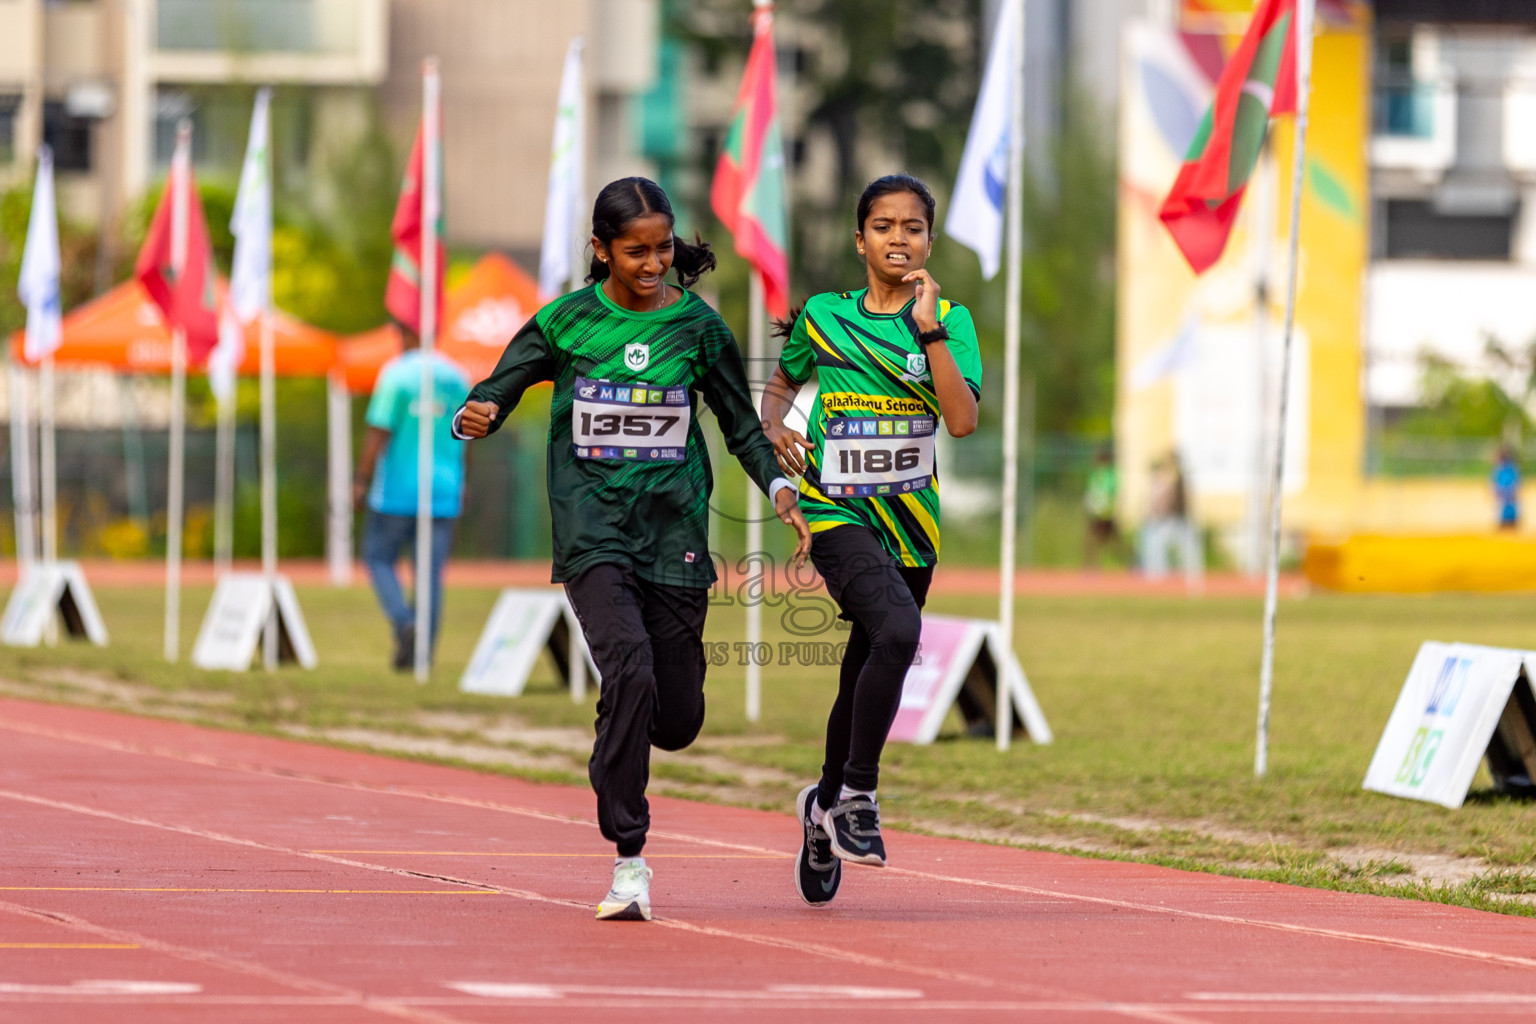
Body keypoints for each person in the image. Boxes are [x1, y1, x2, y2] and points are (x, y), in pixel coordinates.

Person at [453, 177, 810, 922]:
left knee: (674, 719)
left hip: (675, 534)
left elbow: (744, 426)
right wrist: (478, 412)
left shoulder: (700, 330)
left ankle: (621, 724)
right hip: (594, 532)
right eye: (635, 251)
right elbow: (498, 386)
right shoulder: (566, 324)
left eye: (662, 248)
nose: (653, 264)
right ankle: (629, 856)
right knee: (630, 667)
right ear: (601, 250)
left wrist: (779, 491)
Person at [759, 174, 980, 907]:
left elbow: (961, 421)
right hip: (834, 512)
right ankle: (856, 796)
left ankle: (820, 809)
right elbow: (782, 385)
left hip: (910, 525)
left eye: (912, 227)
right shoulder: (823, 316)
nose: (897, 238)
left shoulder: (952, 320)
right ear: (859, 240)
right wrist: (773, 433)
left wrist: (930, 333)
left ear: (930, 240)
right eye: (882, 226)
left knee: (869, 658)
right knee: (899, 627)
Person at [353, 323, 470, 671]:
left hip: (398, 490)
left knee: (378, 557)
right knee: (430, 574)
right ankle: (422, 655)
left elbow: (379, 429)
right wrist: (463, 480)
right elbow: (469, 433)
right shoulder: (457, 376)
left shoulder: (396, 374)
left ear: (406, 334)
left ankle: (406, 624)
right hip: (444, 488)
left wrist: (360, 479)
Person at [1083, 447, 1120, 568]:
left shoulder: (1109, 475)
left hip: (1106, 513)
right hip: (1096, 513)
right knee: (1093, 540)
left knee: (1113, 541)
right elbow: (1091, 492)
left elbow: (1111, 494)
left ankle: (1130, 563)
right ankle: (1092, 565)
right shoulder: (1095, 475)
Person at [1494, 446, 1521, 530]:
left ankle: (1509, 524)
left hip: (1508, 495)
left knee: (1508, 512)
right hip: (1505, 495)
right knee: (1504, 511)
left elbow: (1515, 481)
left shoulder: (1509, 468)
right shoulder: (1502, 468)